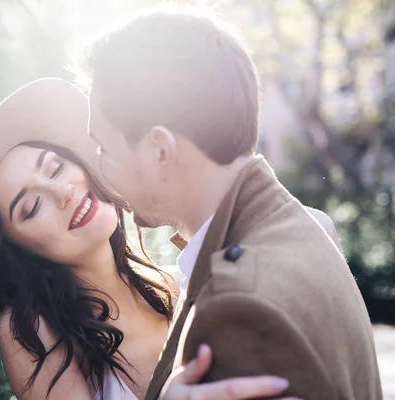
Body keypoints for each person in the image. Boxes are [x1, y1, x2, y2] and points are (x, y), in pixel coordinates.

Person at [0, 78, 332, 399]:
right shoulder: (32, 330)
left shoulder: (185, 283)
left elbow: (311, 237)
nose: (61, 192)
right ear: (21, 251)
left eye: (57, 167)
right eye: (31, 207)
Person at [79, 4, 383, 400]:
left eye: (104, 148)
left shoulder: (237, 307)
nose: (101, 172)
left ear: (160, 151)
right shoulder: (303, 227)